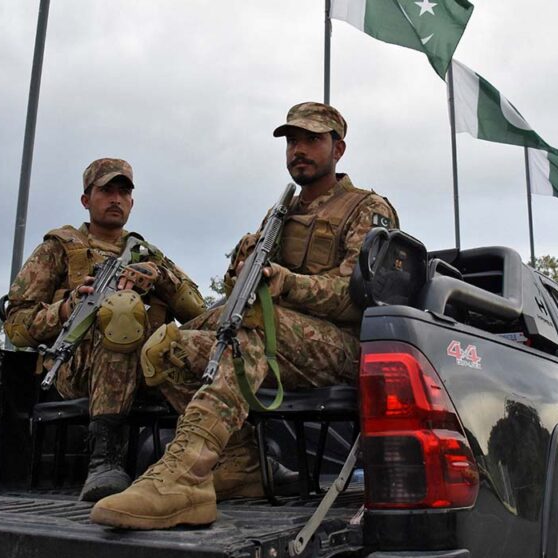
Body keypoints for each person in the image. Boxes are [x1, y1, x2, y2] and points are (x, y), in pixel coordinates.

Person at [90, 102, 400, 530]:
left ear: (338, 149)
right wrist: (242, 268)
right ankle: (240, 465)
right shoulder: (280, 214)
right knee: (165, 348)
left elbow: (358, 295)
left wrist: (287, 283)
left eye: (312, 139)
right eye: (292, 141)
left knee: (250, 324)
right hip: (273, 339)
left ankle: (186, 475)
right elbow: (241, 289)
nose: (299, 149)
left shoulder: (366, 208)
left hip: (342, 347)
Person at [3, 158, 207, 502]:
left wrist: (158, 277)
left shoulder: (147, 253)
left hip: (149, 366)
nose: (115, 199)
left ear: (132, 202)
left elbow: (197, 310)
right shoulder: (58, 249)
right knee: (122, 313)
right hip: (76, 368)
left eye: (123, 192)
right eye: (106, 191)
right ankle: (104, 460)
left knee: (220, 329)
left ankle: (227, 453)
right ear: (86, 200)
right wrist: (67, 308)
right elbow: (17, 326)